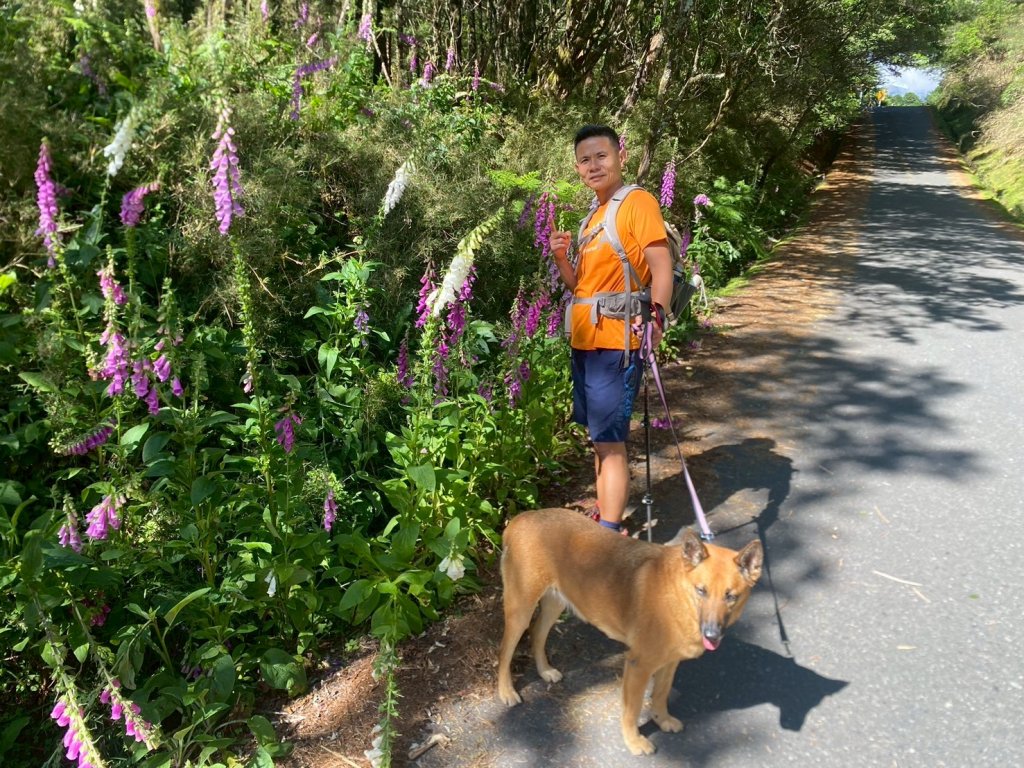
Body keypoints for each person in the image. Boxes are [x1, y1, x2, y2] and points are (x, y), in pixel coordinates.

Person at [549, 124, 674, 533]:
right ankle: (606, 513)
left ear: (620, 155)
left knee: (610, 440)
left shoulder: (637, 203)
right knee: (597, 437)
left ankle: (608, 533)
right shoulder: (591, 219)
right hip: (585, 342)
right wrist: (562, 258)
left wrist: (657, 316)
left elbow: (660, 267)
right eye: (585, 160)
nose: (593, 165)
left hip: (616, 344)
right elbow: (580, 287)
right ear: (577, 168)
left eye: (601, 156)